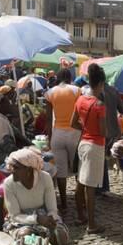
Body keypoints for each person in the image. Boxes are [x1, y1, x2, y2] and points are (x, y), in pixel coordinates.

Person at [3, 148, 70, 245]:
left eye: (16, 167)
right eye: (11, 166)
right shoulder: (8, 183)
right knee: (25, 238)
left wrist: (50, 220)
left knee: (59, 236)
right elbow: (15, 215)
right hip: (21, 220)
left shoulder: (45, 178)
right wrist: (36, 219)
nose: (11, 170)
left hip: (45, 216)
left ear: (29, 170)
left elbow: (52, 208)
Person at [70, 64, 107, 232]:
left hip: (83, 143)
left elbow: (73, 123)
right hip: (95, 146)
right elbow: (103, 130)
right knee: (90, 186)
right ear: (100, 84)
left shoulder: (80, 99)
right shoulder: (99, 104)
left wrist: (85, 129)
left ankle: (80, 216)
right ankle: (91, 224)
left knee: (81, 181)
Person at [44, 69, 82, 209]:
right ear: (70, 78)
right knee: (79, 168)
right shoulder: (77, 91)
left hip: (57, 134)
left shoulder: (50, 93)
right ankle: (81, 200)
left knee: (60, 170)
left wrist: (49, 139)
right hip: (75, 133)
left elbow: (49, 119)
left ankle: (64, 202)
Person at [0, 92, 30, 169]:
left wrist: (30, 144)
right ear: (1, 105)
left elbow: (17, 133)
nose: (10, 105)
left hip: (2, 155)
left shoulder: (1, 117)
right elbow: (7, 146)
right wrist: (23, 154)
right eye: (7, 103)